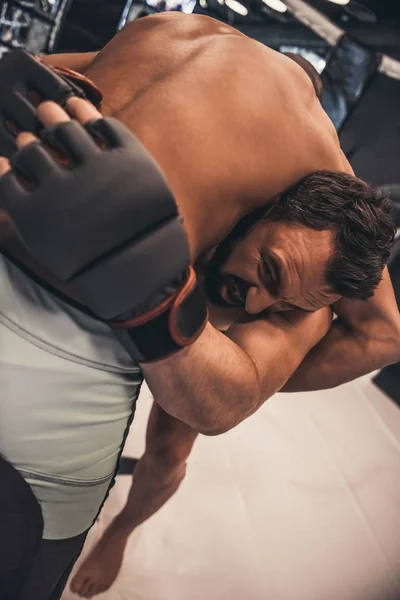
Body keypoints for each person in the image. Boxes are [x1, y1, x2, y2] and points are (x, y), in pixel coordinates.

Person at [0, 11, 399, 600]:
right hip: (105, 271)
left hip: (175, 297)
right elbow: (387, 334)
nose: (261, 299)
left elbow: (382, 333)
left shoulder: (161, 27)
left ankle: (122, 533)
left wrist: (227, 342)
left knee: (171, 441)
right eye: (269, 274)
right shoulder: (315, 149)